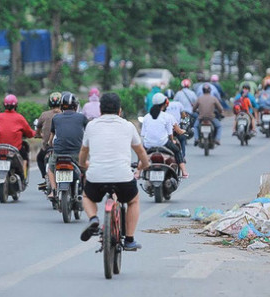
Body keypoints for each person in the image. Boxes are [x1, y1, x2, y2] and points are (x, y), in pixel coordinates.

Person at [78, 93, 150, 250]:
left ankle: (93, 219)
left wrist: (83, 164)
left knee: (87, 196)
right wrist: (143, 166)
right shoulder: (128, 126)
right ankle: (129, 239)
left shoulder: (91, 126)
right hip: (123, 178)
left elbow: (83, 152)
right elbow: (141, 152)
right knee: (133, 200)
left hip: (96, 178)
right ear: (120, 110)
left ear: (100, 111)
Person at [47, 92, 88, 199]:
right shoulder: (82, 118)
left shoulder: (56, 118)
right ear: (75, 106)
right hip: (76, 154)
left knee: (50, 169)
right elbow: (88, 133)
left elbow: (51, 138)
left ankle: (53, 190)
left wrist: (49, 144)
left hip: (59, 154)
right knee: (87, 168)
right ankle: (85, 191)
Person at [0, 94, 36, 186]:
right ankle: (23, 177)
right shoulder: (19, 117)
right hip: (15, 150)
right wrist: (36, 133)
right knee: (25, 157)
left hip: (0, 149)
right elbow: (29, 133)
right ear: (16, 105)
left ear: (4, 105)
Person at [141, 93, 188, 177]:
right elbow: (170, 134)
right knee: (177, 151)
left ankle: (138, 172)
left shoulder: (146, 117)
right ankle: (184, 172)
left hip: (148, 144)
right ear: (165, 104)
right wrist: (172, 140)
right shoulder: (168, 116)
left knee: (141, 153)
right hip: (163, 143)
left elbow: (143, 135)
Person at [35, 92, 62, 182]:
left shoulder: (44, 115)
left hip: (47, 147)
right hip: (60, 147)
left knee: (39, 159)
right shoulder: (63, 115)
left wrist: (39, 135)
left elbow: (37, 129)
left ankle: (45, 176)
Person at [164, 89, 188, 158]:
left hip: (165, 129)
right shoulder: (178, 104)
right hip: (176, 128)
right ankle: (182, 156)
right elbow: (183, 116)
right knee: (182, 138)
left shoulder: (163, 105)